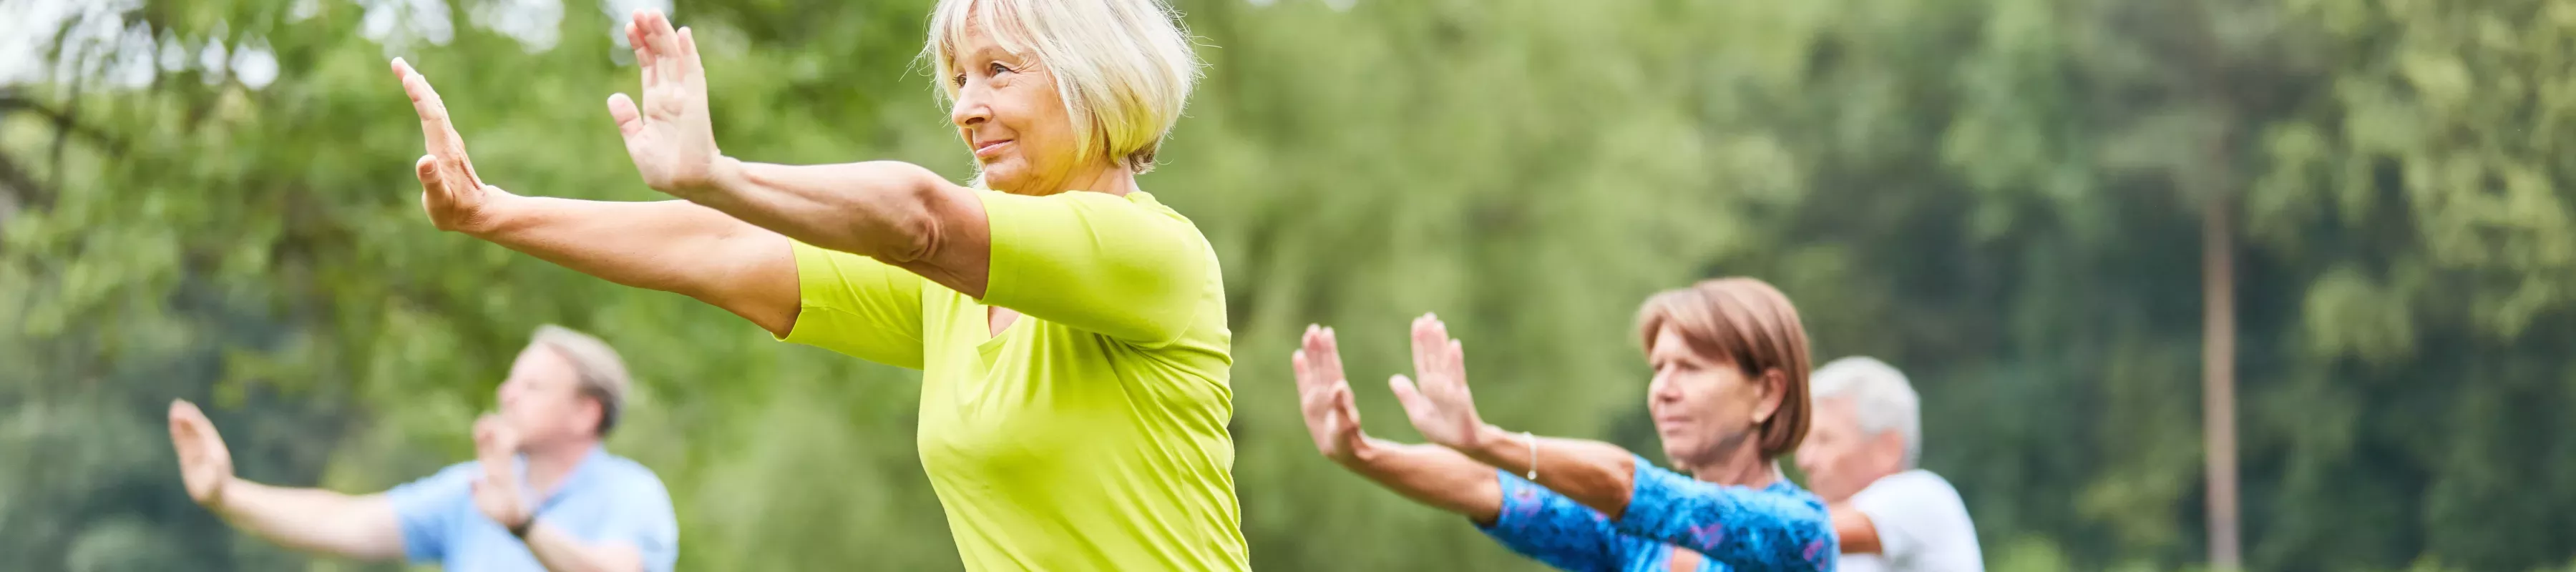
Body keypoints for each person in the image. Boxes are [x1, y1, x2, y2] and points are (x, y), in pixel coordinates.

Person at [387, 1, 1244, 568]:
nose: (965, 108)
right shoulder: (953, 292)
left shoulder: (1151, 255)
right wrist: (494, 212)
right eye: (959, 79)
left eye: (1000, 72)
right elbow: (724, 252)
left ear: (1100, 79)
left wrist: (717, 170)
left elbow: (922, 217)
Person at [1294, 278, 1838, 571]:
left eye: (1691, 368)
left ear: (1767, 392)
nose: (1664, 389)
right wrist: (1361, 453)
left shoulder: (1799, 535)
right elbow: (1488, 489)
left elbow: (1638, 489)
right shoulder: (1631, 545)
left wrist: (1486, 440)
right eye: (1659, 368)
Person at [167, 325, 678, 571]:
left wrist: (523, 525)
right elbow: (343, 521)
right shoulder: (470, 491)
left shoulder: (632, 494)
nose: (507, 395)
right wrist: (227, 495)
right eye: (510, 381)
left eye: (532, 387)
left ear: (585, 413)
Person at [1795, 357, 1984, 572]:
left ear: (1888, 448)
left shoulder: (1923, 495)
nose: (1804, 460)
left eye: (1825, 440)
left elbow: (1799, 529)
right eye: (1805, 442)